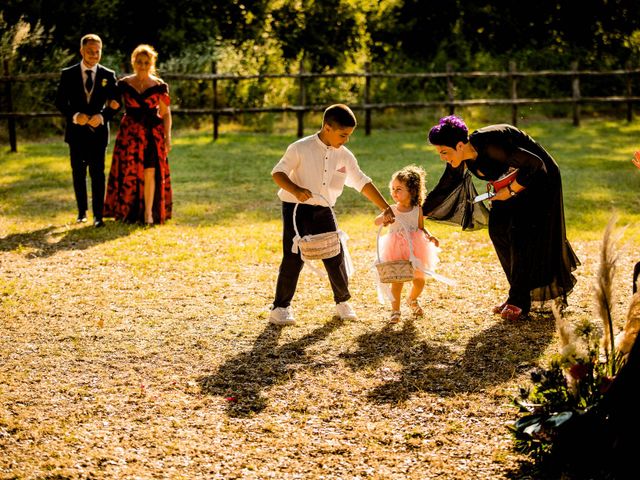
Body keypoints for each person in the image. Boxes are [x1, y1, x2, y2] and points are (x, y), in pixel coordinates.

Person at [426, 115, 579, 321]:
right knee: (497, 229)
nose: (443, 157)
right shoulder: (461, 155)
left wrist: (510, 191)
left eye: (444, 152)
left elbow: (535, 164)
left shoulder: (490, 145)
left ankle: (518, 300)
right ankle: (518, 293)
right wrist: (419, 210)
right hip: (512, 182)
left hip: (540, 178)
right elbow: (448, 183)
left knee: (520, 234)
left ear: (460, 145)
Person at [269, 104, 395, 326]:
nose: (346, 140)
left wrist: (385, 207)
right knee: (294, 256)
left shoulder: (344, 155)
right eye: (343, 134)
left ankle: (342, 302)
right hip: (296, 208)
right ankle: (280, 307)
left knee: (335, 255)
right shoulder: (300, 148)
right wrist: (296, 190)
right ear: (327, 127)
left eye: (349, 135)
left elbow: (361, 181)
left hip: (325, 208)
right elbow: (277, 173)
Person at [103, 44, 172, 225]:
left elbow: (166, 114)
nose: (142, 65)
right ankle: (128, 211)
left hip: (152, 134)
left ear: (152, 63)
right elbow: (113, 103)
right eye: (139, 62)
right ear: (133, 62)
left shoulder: (159, 86)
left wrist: (167, 137)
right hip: (130, 134)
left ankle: (149, 213)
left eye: (146, 62)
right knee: (129, 173)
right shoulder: (124, 84)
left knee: (150, 172)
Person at [55, 34, 118, 228]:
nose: (93, 55)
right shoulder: (68, 73)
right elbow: (59, 102)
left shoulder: (108, 74)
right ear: (81, 51)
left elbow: (116, 103)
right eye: (90, 51)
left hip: (98, 132)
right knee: (78, 172)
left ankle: (98, 215)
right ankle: (82, 212)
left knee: (98, 173)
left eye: (97, 51)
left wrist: (103, 116)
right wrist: (74, 115)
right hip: (76, 132)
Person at [374, 165, 440, 324]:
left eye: (399, 189)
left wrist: (430, 236)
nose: (394, 192)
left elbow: (421, 227)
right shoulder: (391, 209)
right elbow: (376, 222)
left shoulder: (417, 209)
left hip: (415, 249)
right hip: (395, 249)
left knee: (419, 280)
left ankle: (412, 299)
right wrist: (385, 218)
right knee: (397, 281)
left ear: (412, 191)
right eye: (393, 188)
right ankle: (395, 311)